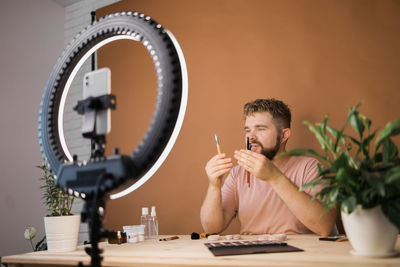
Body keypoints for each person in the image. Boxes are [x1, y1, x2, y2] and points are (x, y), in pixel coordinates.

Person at [200, 99, 336, 236]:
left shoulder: (309, 168)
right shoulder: (238, 173)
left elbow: (324, 227)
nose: (251, 137)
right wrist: (214, 186)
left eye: (260, 129)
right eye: (248, 130)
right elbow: (211, 229)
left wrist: (274, 177)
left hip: (297, 254)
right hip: (251, 254)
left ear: (284, 135)